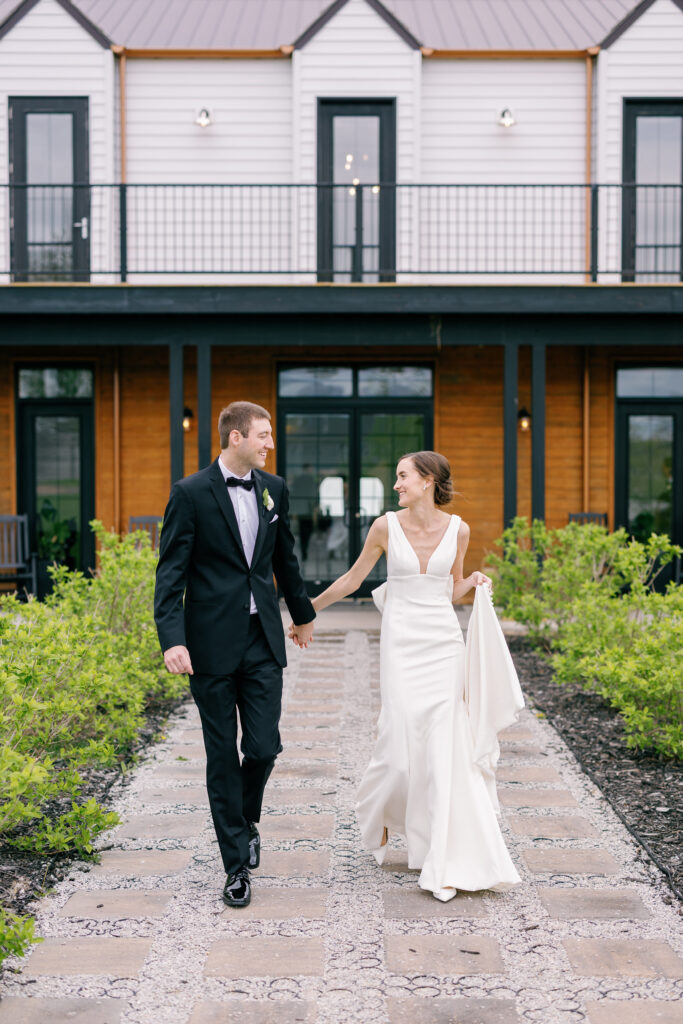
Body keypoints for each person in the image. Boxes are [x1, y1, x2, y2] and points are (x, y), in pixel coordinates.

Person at [300, 450, 521, 901]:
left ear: (427, 481)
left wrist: (473, 581)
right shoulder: (385, 526)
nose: (396, 484)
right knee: (398, 743)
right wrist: (306, 613)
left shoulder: (459, 529)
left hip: (443, 646)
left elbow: (452, 588)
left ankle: (442, 851)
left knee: (443, 748)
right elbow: (351, 579)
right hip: (401, 646)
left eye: (402, 476)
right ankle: (380, 812)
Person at [154, 401, 315, 909]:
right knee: (222, 753)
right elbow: (171, 572)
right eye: (263, 435)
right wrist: (172, 638)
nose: (270, 443)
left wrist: (302, 612)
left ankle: (245, 821)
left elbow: (284, 557)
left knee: (264, 747)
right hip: (209, 643)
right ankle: (236, 865)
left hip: (262, 638)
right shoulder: (190, 494)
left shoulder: (274, 489)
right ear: (235, 438)